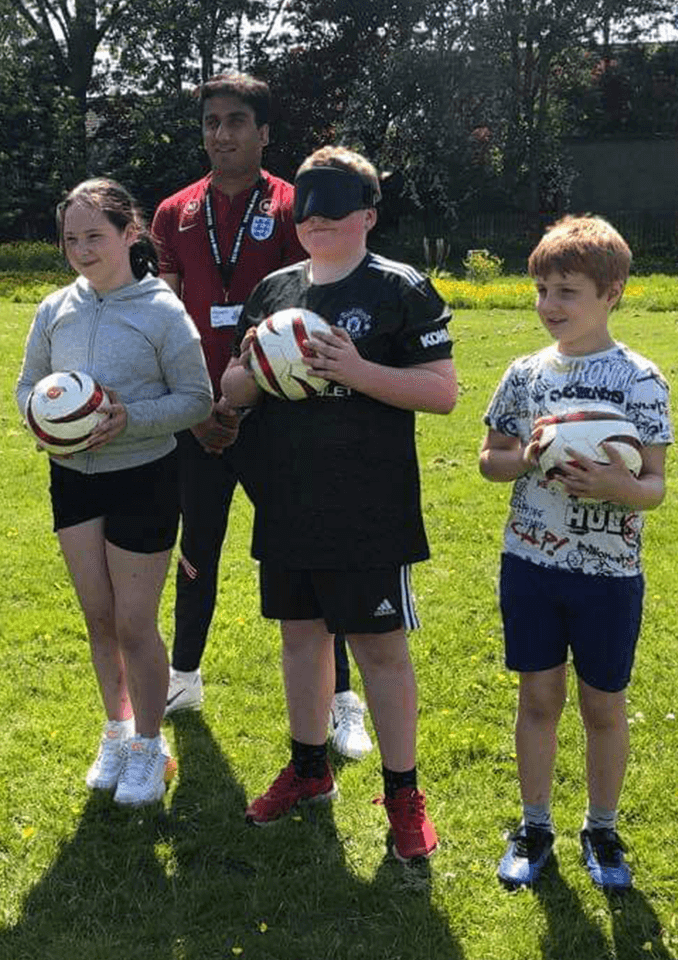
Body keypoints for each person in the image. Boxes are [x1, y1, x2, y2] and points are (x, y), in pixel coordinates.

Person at [221, 147, 456, 858]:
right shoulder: (274, 290)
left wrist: (355, 369)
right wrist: (259, 372)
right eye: (307, 207)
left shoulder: (400, 288)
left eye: (335, 206)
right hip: (288, 497)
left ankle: (403, 792)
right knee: (301, 638)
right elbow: (231, 388)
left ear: (368, 215)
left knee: (381, 652)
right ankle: (309, 768)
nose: (317, 218)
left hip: (369, 504)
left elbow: (441, 392)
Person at [151, 73, 372, 759]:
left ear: (264, 131)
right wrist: (197, 410)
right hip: (197, 417)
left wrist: (243, 407)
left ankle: (342, 700)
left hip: (281, 416)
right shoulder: (172, 213)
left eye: (237, 121)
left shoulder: (291, 207)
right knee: (197, 551)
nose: (222, 134)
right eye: (212, 121)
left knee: (309, 553)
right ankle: (183, 677)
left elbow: (302, 314)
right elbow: (165, 319)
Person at [479, 215, 672, 891]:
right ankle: (535, 826)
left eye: (567, 291)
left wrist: (621, 484)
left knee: (603, 706)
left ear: (612, 292)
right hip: (531, 563)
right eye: (541, 289)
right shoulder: (525, 375)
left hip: (609, 575)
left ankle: (602, 827)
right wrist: (524, 460)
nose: (549, 305)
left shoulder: (641, 380)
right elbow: (490, 460)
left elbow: (653, 488)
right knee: (537, 697)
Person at [16, 178, 213, 806]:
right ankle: (117, 730)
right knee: (98, 618)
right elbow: (26, 387)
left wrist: (132, 418)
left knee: (133, 623)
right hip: (72, 479)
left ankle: (151, 749)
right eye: (71, 238)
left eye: (94, 235)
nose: (80, 248)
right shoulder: (55, 308)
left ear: (132, 233)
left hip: (144, 477)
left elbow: (197, 399)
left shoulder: (161, 309)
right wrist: (42, 423)